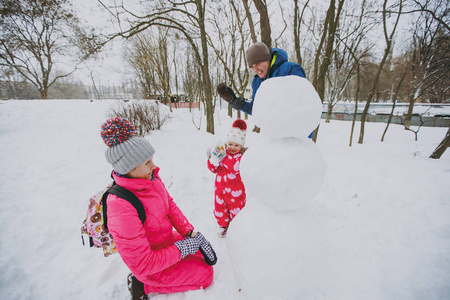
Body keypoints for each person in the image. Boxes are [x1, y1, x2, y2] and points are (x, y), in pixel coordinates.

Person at [100, 117, 216, 300]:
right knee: (206, 274)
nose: (154, 166)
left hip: (165, 241)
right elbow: (143, 263)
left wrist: (188, 233)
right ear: (128, 168)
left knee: (200, 251)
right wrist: (183, 248)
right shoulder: (120, 207)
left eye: (151, 160)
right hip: (150, 266)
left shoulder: (150, 178)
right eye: (147, 163)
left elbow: (169, 205)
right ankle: (143, 285)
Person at [217, 41, 306, 116]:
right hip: (272, 133)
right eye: (251, 66)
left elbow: (304, 104)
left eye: (257, 63)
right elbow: (257, 110)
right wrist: (236, 102)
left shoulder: (289, 70)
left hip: (295, 133)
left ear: (267, 59)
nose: (255, 69)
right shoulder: (257, 82)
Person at [207, 119, 247, 238]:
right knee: (220, 209)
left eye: (236, 145)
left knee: (236, 210)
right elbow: (213, 169)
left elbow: (234, 168)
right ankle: (223, 225)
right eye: (230, 144)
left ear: (241, 146)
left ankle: (236, 226)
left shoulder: (241, 158)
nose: (233, 147)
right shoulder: (223, 153)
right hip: (220, 190)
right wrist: (211, 158)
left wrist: (223, 158)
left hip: (236, 193)